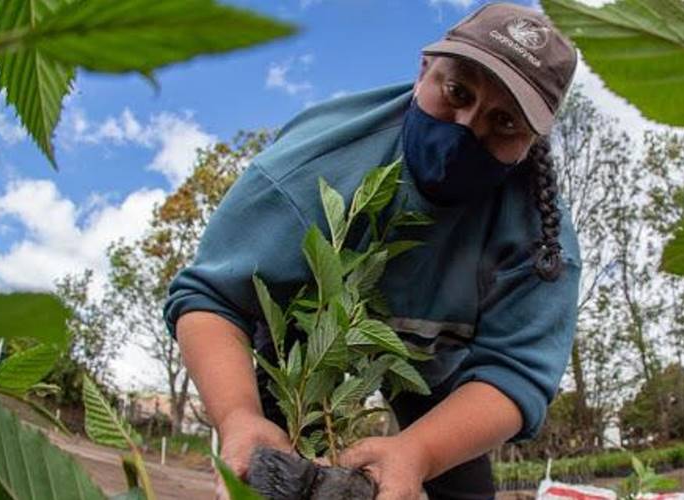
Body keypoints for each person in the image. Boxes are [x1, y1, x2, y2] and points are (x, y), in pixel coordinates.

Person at [164, 3, 581, 499]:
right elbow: (211, 298)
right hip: (304, 350)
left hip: (431, 368)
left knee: (467, 493)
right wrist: (238, 417)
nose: (467, 126)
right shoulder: (311, 169)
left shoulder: (540, 238)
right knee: (270, 473)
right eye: (457, 92)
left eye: (505, 122)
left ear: (534, 141)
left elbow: (516, 372)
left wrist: (418, 453)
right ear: (425, 69)